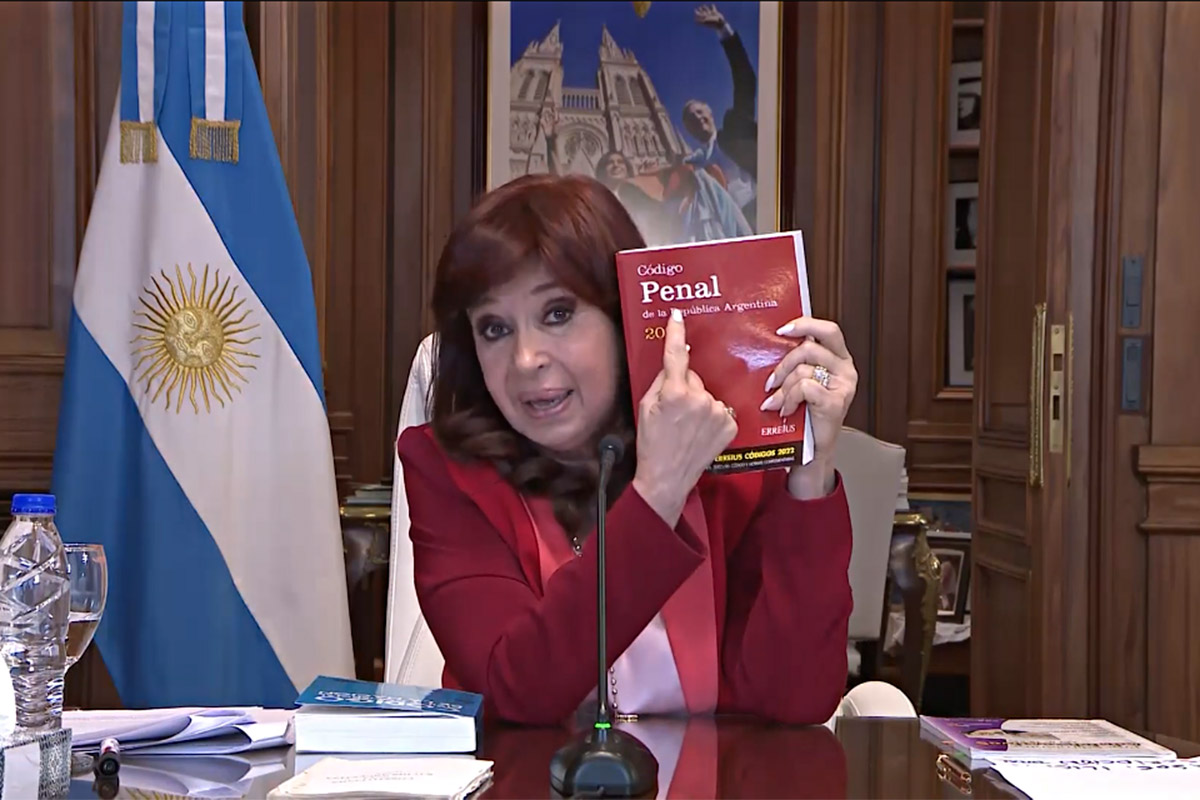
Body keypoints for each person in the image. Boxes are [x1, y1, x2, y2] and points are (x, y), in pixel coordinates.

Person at [396, 172, 858, 726]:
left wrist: (811, 465)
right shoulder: (444, 469)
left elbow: (795, 700)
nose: (525, 360)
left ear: (625, 319)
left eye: (557, 314)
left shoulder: (724, 445)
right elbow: (515, 693)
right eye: (494, 328)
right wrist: (658, 494)